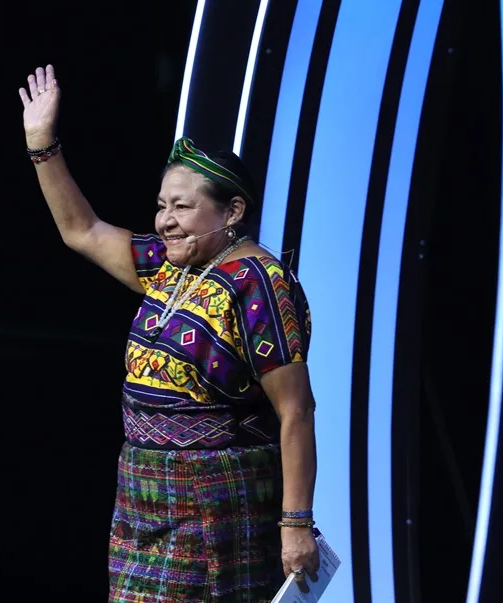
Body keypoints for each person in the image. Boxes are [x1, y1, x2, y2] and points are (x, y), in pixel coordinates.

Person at [18, 65, 320, 603]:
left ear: (233, 211)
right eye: (161, 205)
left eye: (182, 206)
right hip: (142, 491)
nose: (165, 221)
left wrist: (295, 523)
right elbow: (81, 230)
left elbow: (295, 411)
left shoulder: (259, 284)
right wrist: (43, 145)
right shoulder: (167, 267)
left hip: (215, 498)